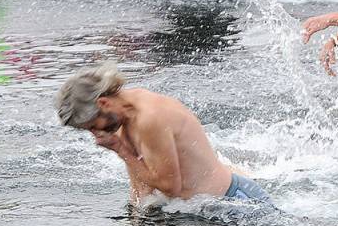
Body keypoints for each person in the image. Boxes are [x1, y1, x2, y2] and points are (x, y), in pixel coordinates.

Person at [55, 63, 273, 205]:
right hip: (206, 206)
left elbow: (170, 187)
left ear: (103, 102)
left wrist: (120, 149)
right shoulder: (122, 117)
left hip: (236, 203)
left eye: (94, 126)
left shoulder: (150, 118)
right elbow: (141, 182)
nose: (96, 134)